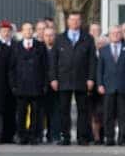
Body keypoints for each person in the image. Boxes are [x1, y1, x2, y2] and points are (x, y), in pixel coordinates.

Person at [50, 12, 97, 145]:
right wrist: (53, 78)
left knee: (83, 110)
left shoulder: (87, 38)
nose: (75, 22)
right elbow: (53, 60)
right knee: (64, 110)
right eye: (72, 20)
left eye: (77, 20)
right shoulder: (59, 38)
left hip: (82, 79)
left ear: (80, 22)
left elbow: (92, 60)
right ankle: (65, 137)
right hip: (63, 79)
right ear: (67, 22)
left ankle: (82, 137)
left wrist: (91, 78)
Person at [10, 22, 48, 145]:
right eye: (26, 29)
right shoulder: (16, 46)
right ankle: (21, 135)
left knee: (36, 113)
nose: (29, 32)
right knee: (21, 113)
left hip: (36, 86)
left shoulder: (40, 46)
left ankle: (34, 135)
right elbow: (11, 68)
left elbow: (45, 67)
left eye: (31, 29)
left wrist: (44, 84)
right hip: (20, 87)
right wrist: (13, 85)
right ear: (22, 31)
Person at [96, 25, 125, 146]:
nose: (116, 35)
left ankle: (122, 139)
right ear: (110, 35)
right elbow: (100, 70)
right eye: (113, 33)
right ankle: (109, 138)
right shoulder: (104, 50)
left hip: (123, 87)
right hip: (108, 87)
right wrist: (100, 84)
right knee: (108, 115)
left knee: (123, 115)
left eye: (118, 33)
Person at [39, 26, 61, 144]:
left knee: (55, 111)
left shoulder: (59, 48)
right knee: (41, 112)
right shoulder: (39, 48)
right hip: (42, 85)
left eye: (51, 35)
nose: (49, 37)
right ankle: (40, 134)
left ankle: (54, 135)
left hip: (55, 85)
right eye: (46, 35)